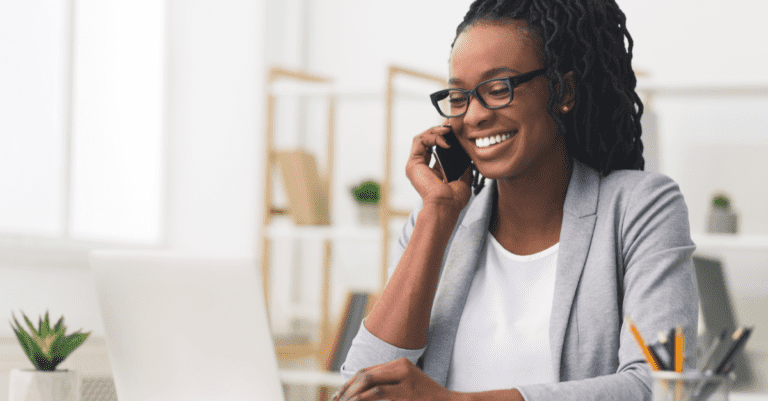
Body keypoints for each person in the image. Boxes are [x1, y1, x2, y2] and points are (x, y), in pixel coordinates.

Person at [335, 0, 698, 400]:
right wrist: (438, 214)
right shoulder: (436, 224)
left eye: (497, 89)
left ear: (563, 90)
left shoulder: (640, 208)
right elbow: (361, 385)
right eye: (458, 96)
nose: (473, 116)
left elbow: (661, 384)